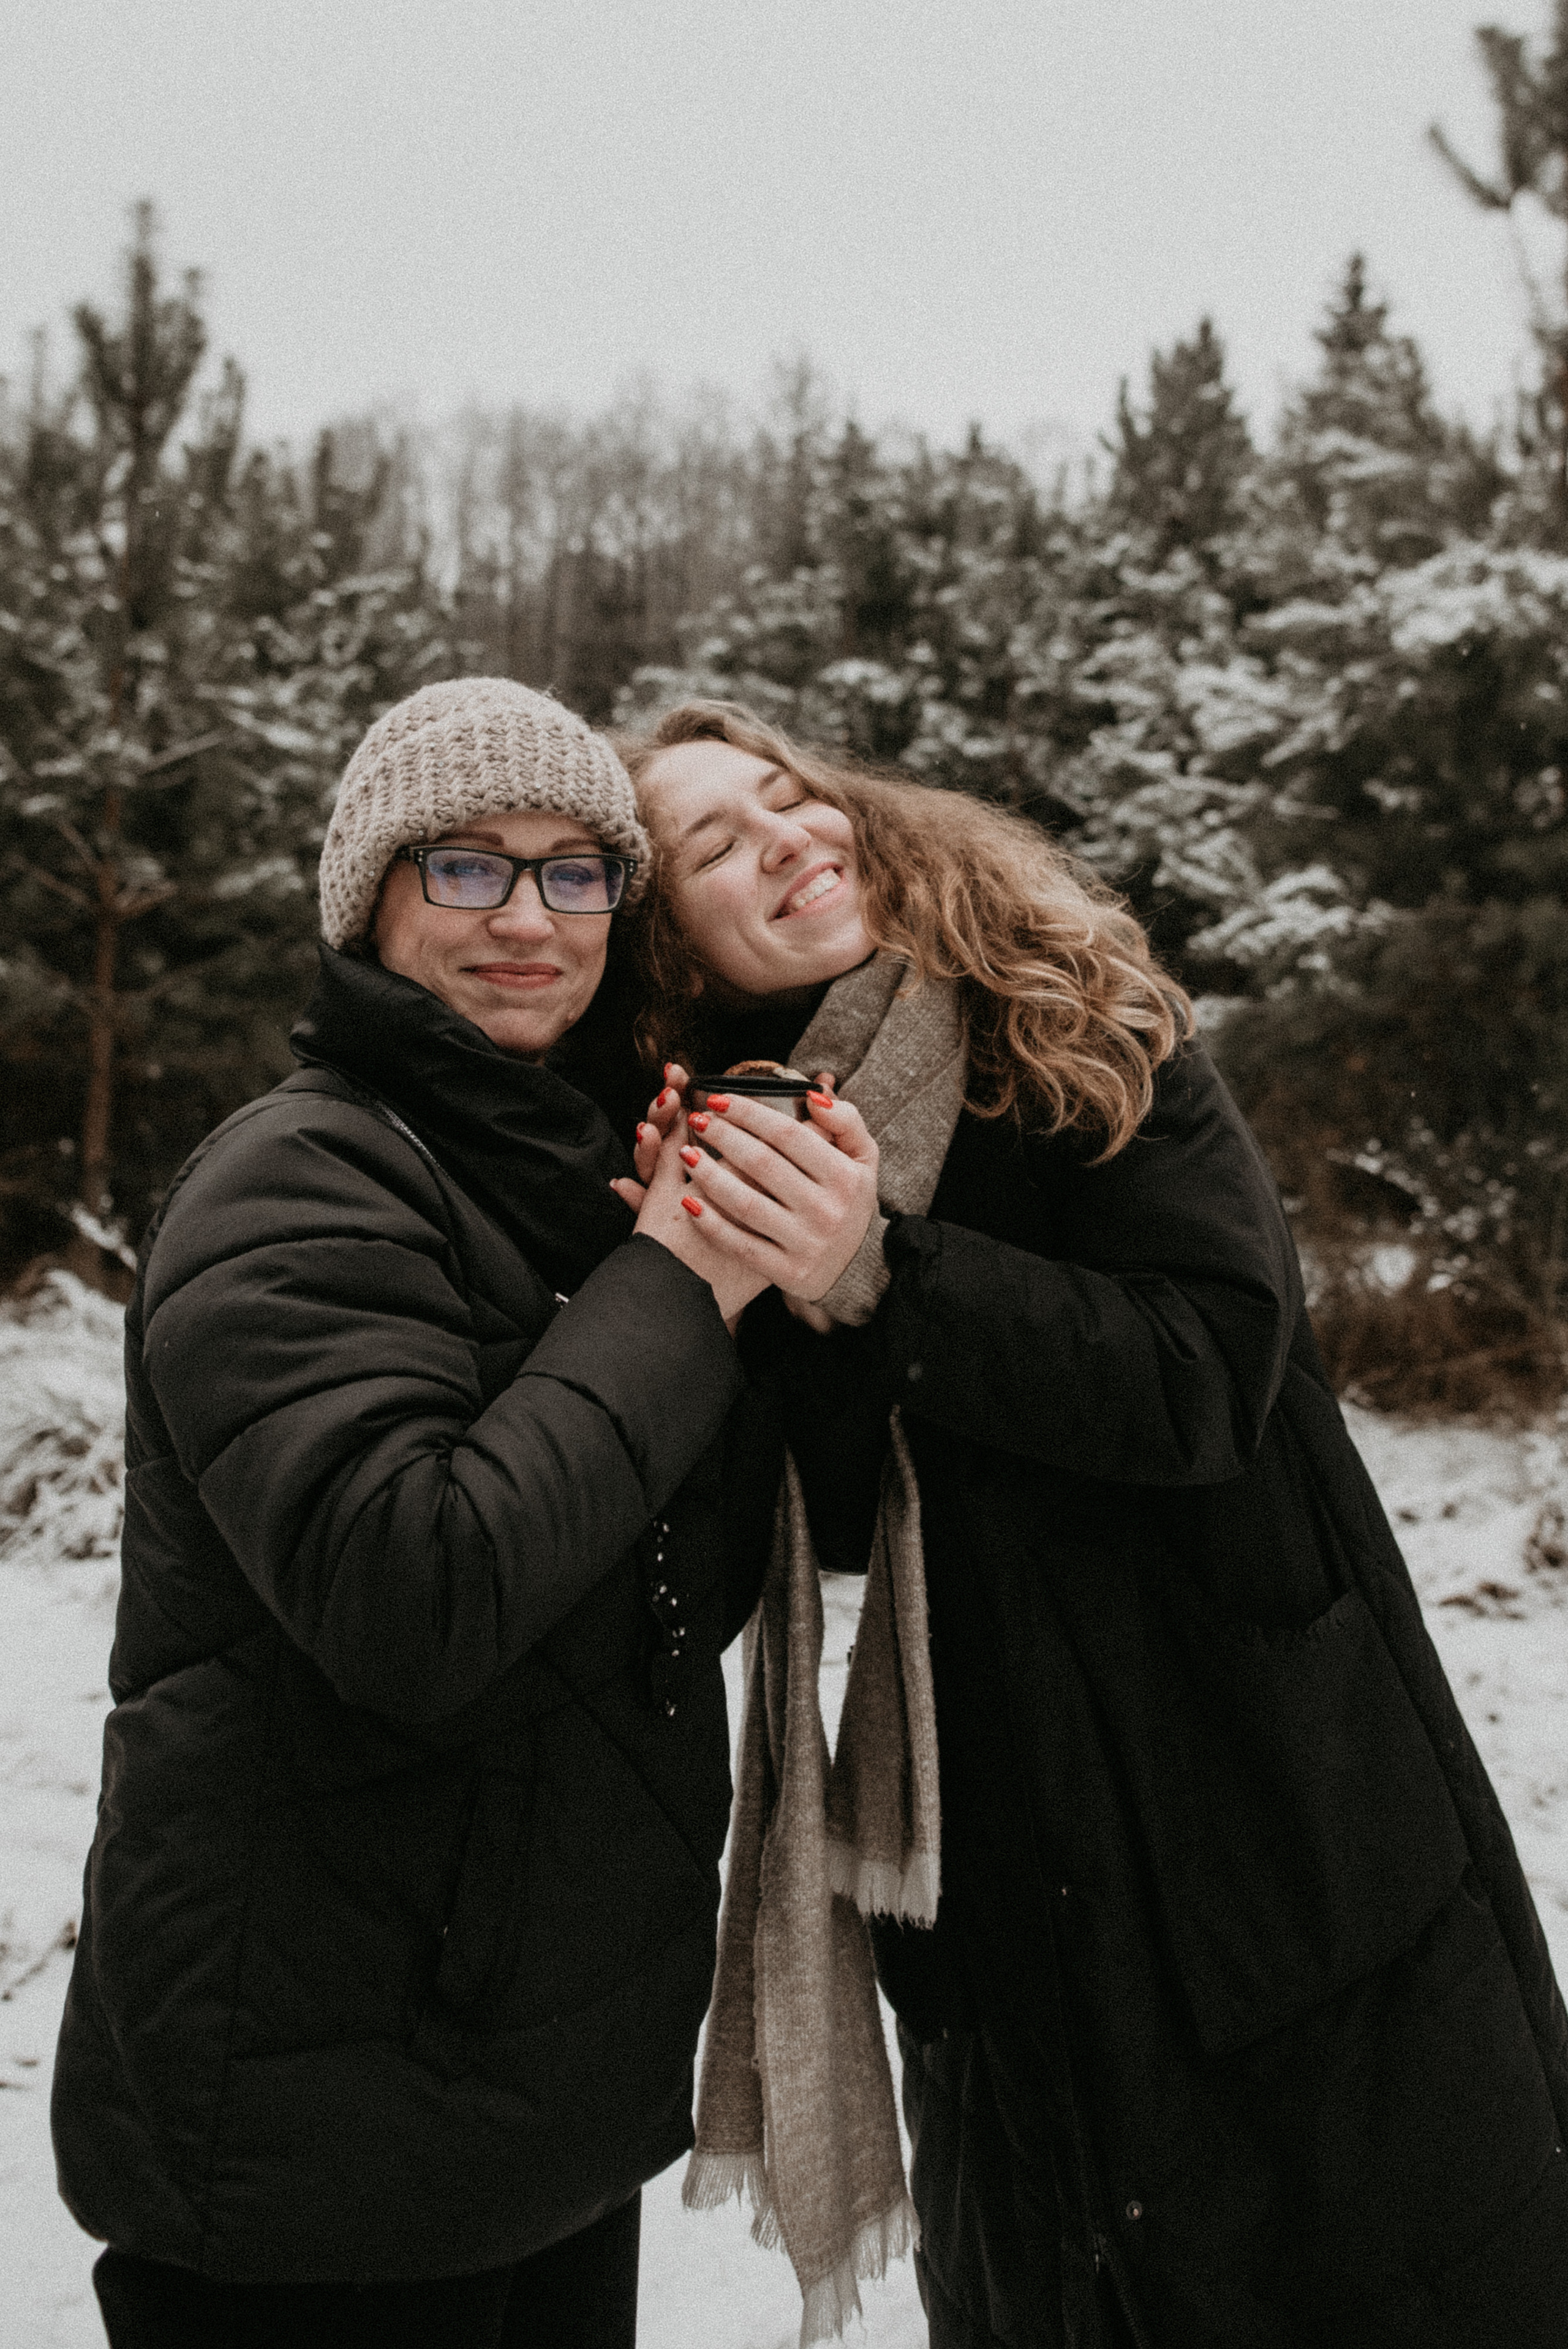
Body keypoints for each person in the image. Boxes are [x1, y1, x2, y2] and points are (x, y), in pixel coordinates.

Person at [619, 697, 1568, 2349]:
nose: (789, 833)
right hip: (1003, 1859)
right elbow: (833, 1516)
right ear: (678, 952)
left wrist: (882, 1272)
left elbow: (1207, 1372)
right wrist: (722, 1279)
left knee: (1366, 2281)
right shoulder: (763, 1123)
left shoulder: (1070, 1014)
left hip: (1273, 1819)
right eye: (716, 841)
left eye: (794, 794)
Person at [50, 677, 878, 2349]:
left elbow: (664, 1586)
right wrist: (675, 1277)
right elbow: (414, 1595)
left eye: (576, 872)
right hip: (314, 2148)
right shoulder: (296, 1177)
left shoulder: (573, 1176)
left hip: (541, 2098)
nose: (530, 919)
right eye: (467, 868)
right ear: (371, 897)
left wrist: (826, 1281)